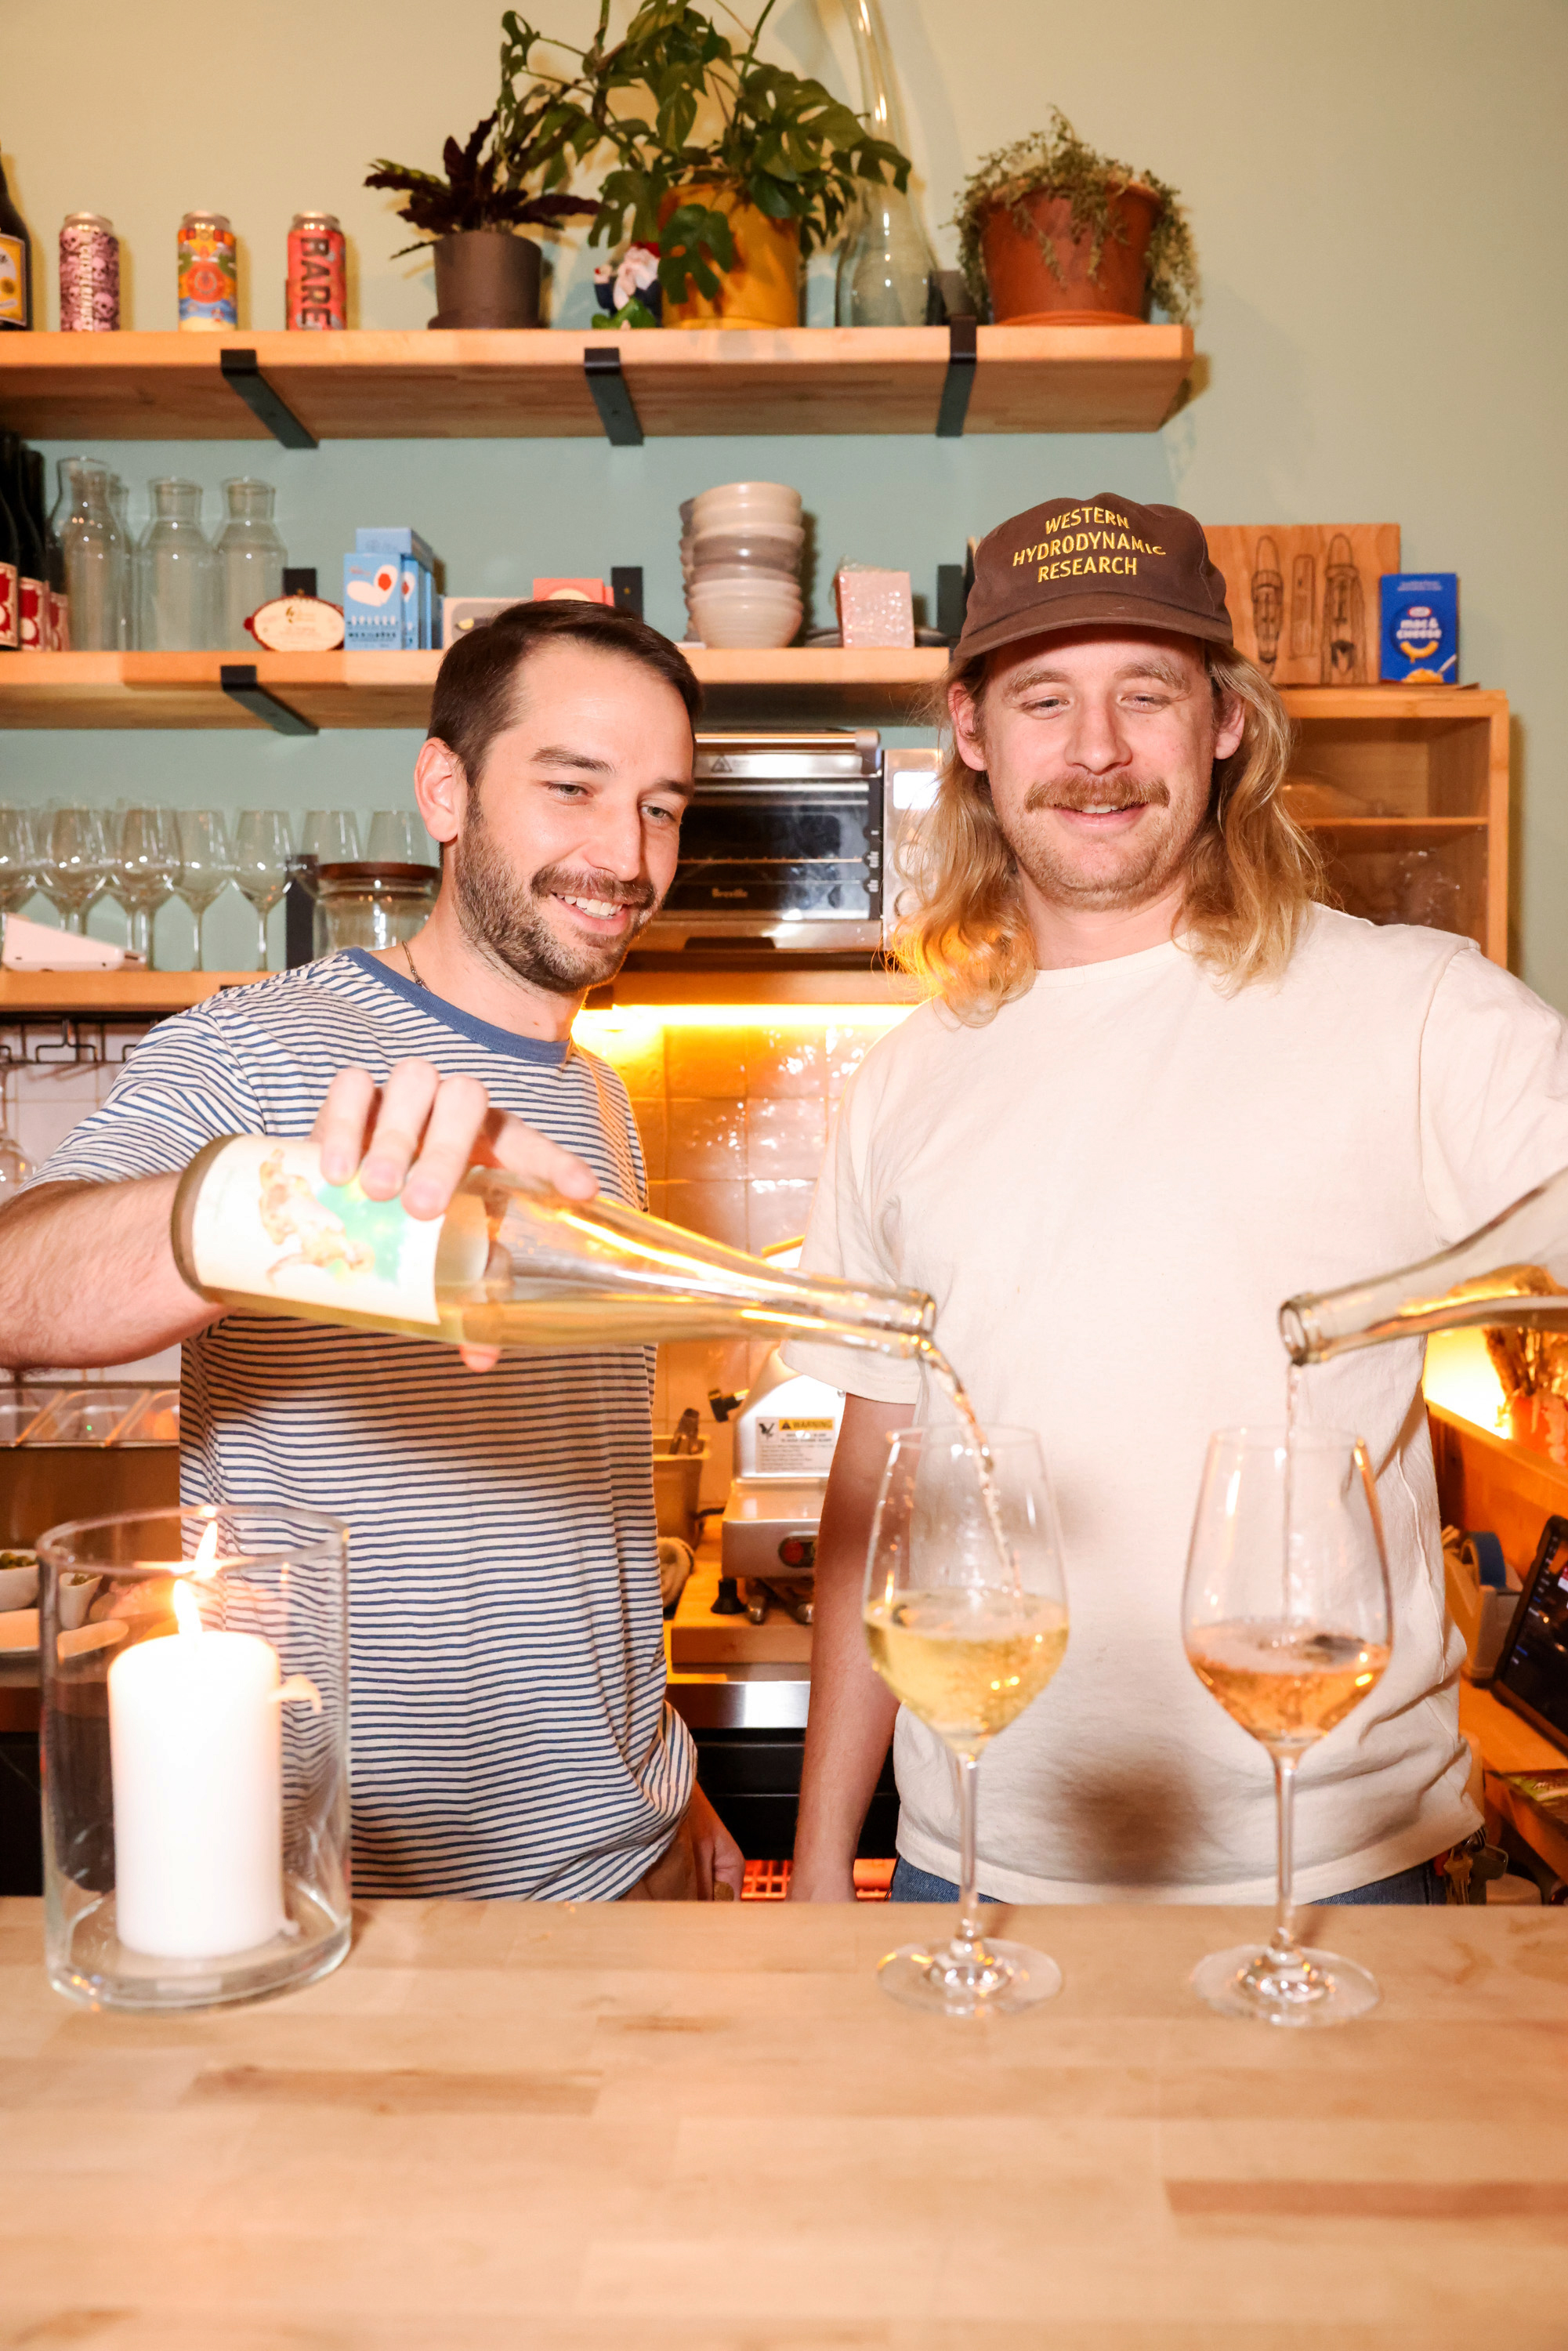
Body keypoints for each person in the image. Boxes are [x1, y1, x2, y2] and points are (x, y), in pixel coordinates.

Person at [784, 492, 1568, 1908]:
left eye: (1144, 692)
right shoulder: (905, 1081)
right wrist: (830, 1851)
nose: (1095, 752)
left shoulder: (1415, 1014)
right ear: (970, 734)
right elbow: (871, 1496)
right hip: (972, 1873)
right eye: (1044, 700)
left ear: (1222, 722)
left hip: (1335, 1872)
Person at [0, 600, 744, 1903]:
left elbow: (580, 1522)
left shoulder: (598, 1100)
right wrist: (290, 1205)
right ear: (443, 788)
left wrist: (665, 1797)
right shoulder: (259, 1051)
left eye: (661, 807)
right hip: (347, 1882)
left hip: (620, 1860)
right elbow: (13, 1284)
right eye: (572, 787)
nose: (625, 855)